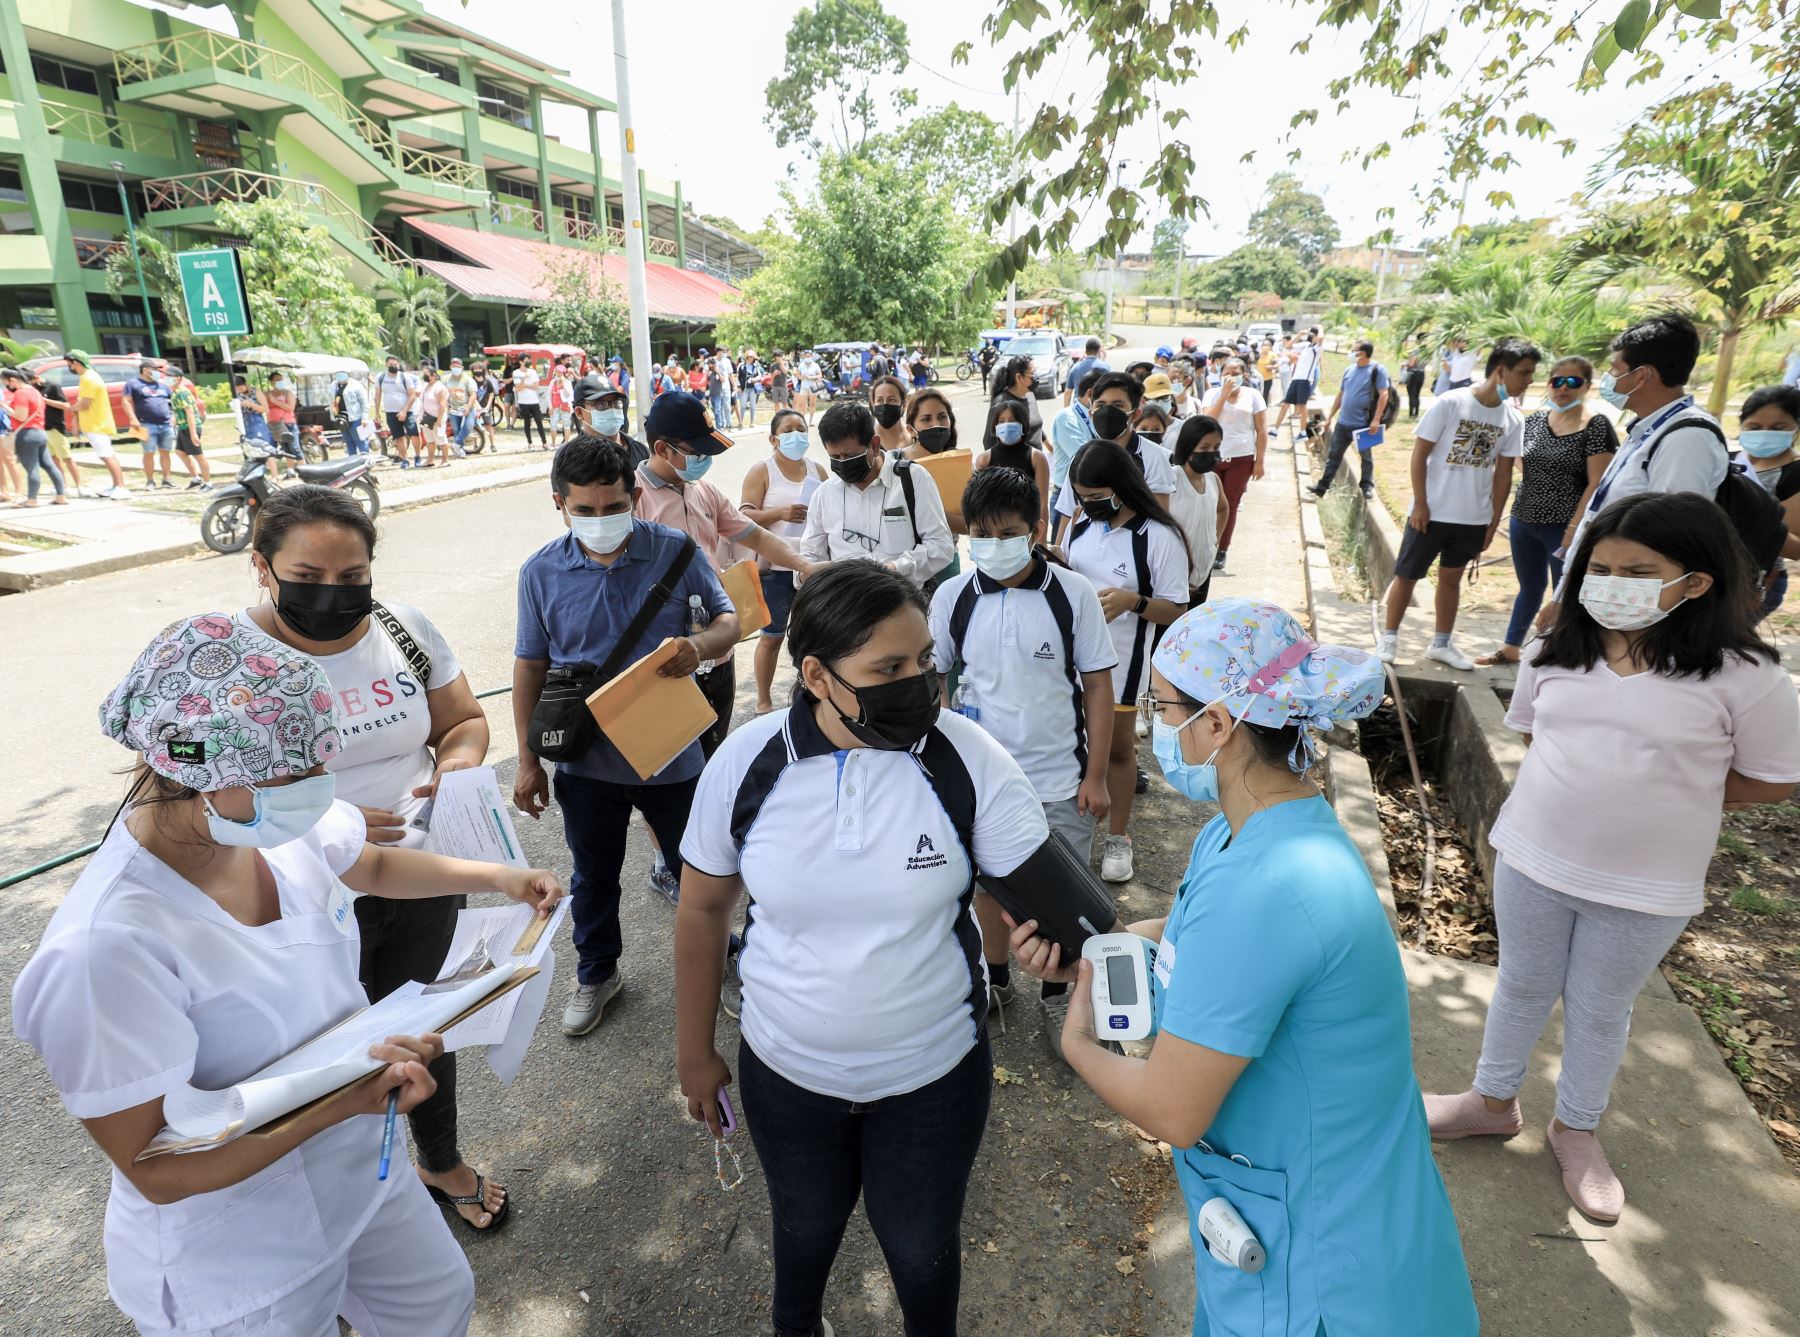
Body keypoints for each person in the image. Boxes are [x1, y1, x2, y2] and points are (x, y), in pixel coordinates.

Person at [11, 614, 564, 1336]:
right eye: (292, 771)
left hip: (364, 1171)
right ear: (191, 767)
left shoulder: (262, 818)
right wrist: (344, 1102)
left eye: (316, 763)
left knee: (436, 1305)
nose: (316, 788)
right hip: (241, 1248)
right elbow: (154, 1163)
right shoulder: (104, 949)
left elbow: (371, 861)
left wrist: (502, 876)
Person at [1010, 598, 1479, 1336]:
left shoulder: (1267, 890)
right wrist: (1115, 947)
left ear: (1220, 722)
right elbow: (1199, 937)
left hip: (1321, 1275)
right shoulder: (1260, 831)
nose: (1160, 729)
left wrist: (1075, 1041)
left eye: (1165, 708)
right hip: (1323, 1212)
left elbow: (1172, 1110)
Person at [675, 561, 1051, 1337]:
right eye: (887, 668)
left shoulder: (968, 759)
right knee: (803, 1238)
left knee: (921, 1255)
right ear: (816, 674)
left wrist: (1057, 946)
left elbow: (1049, 905)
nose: (918, 684)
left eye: (923, 663)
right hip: (785, 1074)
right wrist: (693, 1051)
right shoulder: (747, 763)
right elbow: (704, 908)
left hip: (934, 1076)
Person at [1425, 492, 1800, 1221]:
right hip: (1533, 855)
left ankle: (1577, 1127)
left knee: (1601, 1008)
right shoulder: (1556, 645)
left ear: (1697, 581)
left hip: (1645, 887)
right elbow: (1537, 734)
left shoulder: (1744, 675)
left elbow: (1775, 776)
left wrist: (1677, 793)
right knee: (1522, 984)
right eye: (1600, 567)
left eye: (1637, 569)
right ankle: (1491, 1101)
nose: (1611, 583)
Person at [234, 484, 510, 1232]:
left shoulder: (402, 629)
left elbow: (463, 720)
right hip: (299, 902)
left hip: (423, 872)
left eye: (352, 577)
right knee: (323, 1056)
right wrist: (318, 815)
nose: (334, 595)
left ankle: (438, 1156)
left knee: (425, 1023)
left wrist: (458, 762)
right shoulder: (226, 656)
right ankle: (341, 1205)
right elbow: (184, 763)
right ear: (263, 566)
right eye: (310, 577)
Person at [513, 436, 738, 1036]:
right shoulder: (540, 573)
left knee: (700, 867)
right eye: (583, 511)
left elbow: (729, 618)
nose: (599, 521)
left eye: (612, 507)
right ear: (558, 503)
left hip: (674, 755)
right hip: (587, 762)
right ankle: (597, 972)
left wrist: (700, 646)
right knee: (593, 874)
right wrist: (528, 760)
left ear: (635, 496)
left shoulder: (675, 551)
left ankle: (725, 959)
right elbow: (530, 666)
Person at [930, 466, 1115, 1037]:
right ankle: (998, 979)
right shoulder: (953, 595)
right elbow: (934, 678)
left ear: (1036, 530)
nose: (992, 546)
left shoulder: (1072, 593)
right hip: (983, 784)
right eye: (980, 534)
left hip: (1060, 778)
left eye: (1006, 533)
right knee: (987, 886)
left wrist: (1098, 776)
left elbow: (1098, 685)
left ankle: (1061, 996)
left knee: (1065, 895)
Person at [634, 391, 817, 764]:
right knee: (669, 765)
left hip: (717, 647)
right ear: (662, 449)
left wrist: (804, 565)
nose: (704, 460)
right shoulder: (634, 498)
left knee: (712, 752)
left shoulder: (703, 490)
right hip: (665, 655)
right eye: (696, 451)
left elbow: (756, 535)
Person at [1540, 313, 1730, 630]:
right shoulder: (1648, 430)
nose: (1609, 380)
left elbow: (1669, 540)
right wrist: (1564, 595)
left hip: (1632, 608)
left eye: (1615, 370)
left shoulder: (1686, 439)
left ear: (1643, 376)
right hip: (1605, 594)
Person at [1064, 439, 1189, 883]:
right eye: (1081, 497)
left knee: (1116, 749)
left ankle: (1118, 837)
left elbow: (1177, 609)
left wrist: (1132, 602)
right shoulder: (1080, 527)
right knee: (1072, 745)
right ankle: (1072, 829)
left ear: (1121, 487)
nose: (1088, 505)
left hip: (1122, 661)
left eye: (1097, 498)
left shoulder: (1158, 536)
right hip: (1070, 657)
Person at [1377, 337, 1538, 670]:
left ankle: (1441, 643)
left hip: (1472, 518)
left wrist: (1492, 523)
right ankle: (1389, 638)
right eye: (1524, 373)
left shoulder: (1512, 418)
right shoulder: (1451, 402)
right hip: (1432, 512)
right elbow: (1420, 454)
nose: (1529, 380)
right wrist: (1421, 503)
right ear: (1501, 370)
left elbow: (1503, 476)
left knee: (1451, 579)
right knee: (1407, 576)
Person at [1475, 356, 1619, 666]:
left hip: (1564, 526)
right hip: (1523, 520)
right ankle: (1512, 647)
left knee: (1564, 595)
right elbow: (1520, 463)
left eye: (1572, 382)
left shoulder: (1596, 426)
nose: (1562, 389)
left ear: (1587, 386)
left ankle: (1562, 656)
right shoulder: (1535, 421)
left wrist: (1573, 529)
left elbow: (1597, 484)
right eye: (1557, 381)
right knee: (1529, 587)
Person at [799, 400, 954, 590]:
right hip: (845, 607)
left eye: (849, 456)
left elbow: (941, 547)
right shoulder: (824, 494)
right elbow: (810, 555)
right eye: (835, 457)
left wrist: (893, 569)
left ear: (874, 444)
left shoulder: (913, 480)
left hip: (900, 601)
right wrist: (804, 573)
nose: (843, 463)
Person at [741, 408, 828, 715]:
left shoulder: (817, 469)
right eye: (788, 430)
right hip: (774, 570)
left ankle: (808, 696)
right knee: (771, 638)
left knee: (813, 639)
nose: (796, 435)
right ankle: (763, 702)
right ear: (773, 439)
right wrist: (778, 514)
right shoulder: (763, 470)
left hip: (811, 569)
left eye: (801, 429)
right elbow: (743, 517)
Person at [1051, 372, 1177, 541]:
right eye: (1100, 405)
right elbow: (1068, 512)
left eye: (1118, 405)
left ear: (1135, 414)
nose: (1107, 412)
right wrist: (1059, 555)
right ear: (1091, 412)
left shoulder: (1154, 457)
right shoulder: (1082, 458)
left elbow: (1159, 517)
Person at [1736, 384, 1800, 619]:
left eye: (1777, 427)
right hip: (1717, 572)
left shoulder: (1794, 473)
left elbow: (1795, 548)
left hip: (1758, 581)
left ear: (1795, 428)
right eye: (1754, 427)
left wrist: (1749, 511)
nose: (1764, 433)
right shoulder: (1731, 460)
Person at [1201, 357, 1269, 575]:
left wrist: (1259, 460)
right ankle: (1205, 545)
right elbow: (1208, 420)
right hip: (1213, 456)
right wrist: (1223, 395)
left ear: (1244, 374)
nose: (1232, 376)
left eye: (1236, 372)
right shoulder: (1212, 394)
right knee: (1208, 502)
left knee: (1229, 503)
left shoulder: (1253, 396)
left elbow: (1262, 429)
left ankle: (1222, 548)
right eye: (1227, 373)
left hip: (1241, 457)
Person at [1312, 339, 1391, 501]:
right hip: (1343, 423)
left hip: (1363, 425)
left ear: (1363, 353)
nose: (1352, 353)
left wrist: (1376, 420)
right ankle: (1321, 487)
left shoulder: (1377, 370)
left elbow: (1384, 394)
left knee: (1366, 457)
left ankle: (1367, 486)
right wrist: (1330, 418)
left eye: (1355, 350)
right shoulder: (1349, 370)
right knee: (1334, 456)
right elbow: (1341, 395)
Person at [1169, 415, 1229, 606]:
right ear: (1188, 446)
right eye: (1204, 448)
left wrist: (1215, 540)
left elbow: (1223, 508)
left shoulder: (1213, 480)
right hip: (1175, 573)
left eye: (1216, 448)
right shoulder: (1172, 479)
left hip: (1204, 568)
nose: (1211, 453)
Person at [2, 364, 66, 505]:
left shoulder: (21, 393)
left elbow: (21, 416)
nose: (6, 386)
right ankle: (61, 495)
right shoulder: (34, 391)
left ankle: (32, 499)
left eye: (5, 383)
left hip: (27, 434)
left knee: (31, 467)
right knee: (49, 465)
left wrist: (4, 406)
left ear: (12, 380)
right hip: (40, 432)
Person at [976, 395, 1051, 514]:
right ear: (995, 426)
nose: (1006, 425)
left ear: (1022, 423)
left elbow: (1042, 505)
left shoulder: (1037, 458)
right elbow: (979, 504)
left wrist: (1040, 531)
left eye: (1012, 420)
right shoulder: (984, 459)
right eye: (1001, 421)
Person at [29, 366, 86, 496]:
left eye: (30, 382)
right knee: (53, 459)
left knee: (67, 458)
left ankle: (79, 485)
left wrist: (44, 400)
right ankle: (62, 485)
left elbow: (66, 406)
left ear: (36, 378)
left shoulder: (53, 387)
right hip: (42, 428)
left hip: (56, 428)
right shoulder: (33, 389)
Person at [121, 358, 176, 491]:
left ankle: (167, 479)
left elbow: (173, 400)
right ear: (145, 369)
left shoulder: (162, 385)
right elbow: (126, 401)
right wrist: (133, 419)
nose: (157, 372)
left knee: (166, 452)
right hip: (144, 424)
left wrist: (174, 417)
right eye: (154, 369)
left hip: (166, 424)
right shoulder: (133, 384)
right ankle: (150, 481)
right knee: (148, 452)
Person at [1048, 369, 1099, 498]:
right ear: (1090, 393)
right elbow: (1084, 456)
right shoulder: (1066, 417)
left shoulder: (1096, 415)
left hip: (1090, 491)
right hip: (1068, 494)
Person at [165, 362, 212, 490]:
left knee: (198, 456)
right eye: (166, 376)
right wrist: (174, 422)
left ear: (178, 378)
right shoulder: (174, 393)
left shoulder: (182, 392)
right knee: (180, 452)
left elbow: (189, 412)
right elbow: (178, 411)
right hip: (183, 427)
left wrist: (193, 433)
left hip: (190, 427)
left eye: (170, 376)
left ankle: (208, 483)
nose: (167, 379)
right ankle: (196, 478)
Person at [1266, 332, 1319, 439]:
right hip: (1296, 379)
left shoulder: (1317, 348)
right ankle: (1275, 430)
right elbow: (1288, 346)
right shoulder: (1305, 346)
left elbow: (1321, 338)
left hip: (1305, 380)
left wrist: (1319, 328)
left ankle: (1303, 432)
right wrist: (1300, 334)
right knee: (1286, 404)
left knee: (1302, 406)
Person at [991, 354, 1045, 449]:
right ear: (1019, 377)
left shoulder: (1030, 396)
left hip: (1037, 461)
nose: (1036, 377)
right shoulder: (1002, 402)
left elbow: (1036, 427)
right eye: (1032, 373)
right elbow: (989, 441)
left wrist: (1051, 448)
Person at [377, 355, 421, 462]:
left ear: (399, 365)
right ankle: (404, 458)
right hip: (390, 412)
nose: (393, 366)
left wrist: (404, 411)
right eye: (391, 364)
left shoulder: (405, 377)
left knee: (413, 433)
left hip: (407, 411)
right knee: (398, 436)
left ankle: (417, 456)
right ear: (386, 365)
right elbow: (377, 395)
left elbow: (412, 395)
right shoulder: (381, 377)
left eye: (395, 364)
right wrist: (377, 412)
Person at [868, 374, 911, 454]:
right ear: (873, 404)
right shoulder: (866, 440)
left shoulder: (914, 438)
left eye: (892, 400)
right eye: (880, 400)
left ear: (904, 404)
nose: (885, 405)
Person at [265, 369, 300, 464]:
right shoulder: (268, 394)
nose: (279, 382)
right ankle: (290, 470)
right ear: (271, 382)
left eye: (281, 379)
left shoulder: (287, 393)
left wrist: (275, 402)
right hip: (275, 425)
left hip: (288, 423)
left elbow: (290, 408)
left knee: (294, 448)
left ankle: (305, 468)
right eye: (276, 380)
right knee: (286, 449)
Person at [416, 366, 448, 468]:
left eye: (426, 374)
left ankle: (445, 460)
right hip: (426, 418)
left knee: (441, 439)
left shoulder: (439, 387)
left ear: (434, 375)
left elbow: (442, 404)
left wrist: (439, 419)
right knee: (429, 440)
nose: (424, 376)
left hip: (437, 418)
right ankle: (430, 460)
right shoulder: (425, 385)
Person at [1065, 336, 1109, 407]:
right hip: (1099, 407)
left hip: (1079, 408)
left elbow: (1068, 392)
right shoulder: (1105, 367)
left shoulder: (1075, 367)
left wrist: (1066, 410)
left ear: (1085, 351)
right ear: (1099, 351)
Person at [336, 367, 371, 457]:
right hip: (342, 419)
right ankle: (353, 463)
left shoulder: (356, 385)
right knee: (349, 442)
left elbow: (364, 402)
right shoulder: (334, 385)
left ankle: (365, 462)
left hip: (356, 418)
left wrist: (365, 418)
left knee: (361, 441)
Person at [514, 359, 547, 448]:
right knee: (527, 422)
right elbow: (519, 388)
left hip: (534, 401)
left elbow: (536, 387)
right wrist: (523, 379)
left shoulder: (533, 372)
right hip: (523, 401)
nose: (527, 362)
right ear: (520, 362)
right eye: (525, 360)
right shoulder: (516, 373)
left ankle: (544, 442)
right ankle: (530, 442)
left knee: (539, 421)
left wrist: (526, 385)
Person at [548, 361, 574, 444]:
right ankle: (553, 443)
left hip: (565, 406)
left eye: (559, 372)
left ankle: (566, 442)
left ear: (563, 373)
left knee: (566, 425)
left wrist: (563, 383)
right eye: (556, 371)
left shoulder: (567, 382)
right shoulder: (553, 382)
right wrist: (550, 407)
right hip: (555, 406)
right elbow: (549, 395)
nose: (557, 374)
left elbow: (569, 394)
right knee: (553, 425)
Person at [1402, 348, 1428, 419]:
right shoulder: (1424, 354)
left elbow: (1411, 364)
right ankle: (1416, 413)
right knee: (1417, 395)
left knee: (1411, 395)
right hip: (1421, 375)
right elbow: (1425, 364)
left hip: (1412, 375)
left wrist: (1406, 365)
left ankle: (1411, 414)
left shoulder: (1414, 353)